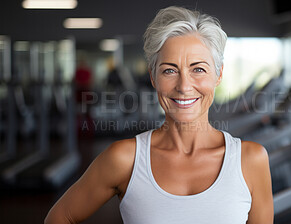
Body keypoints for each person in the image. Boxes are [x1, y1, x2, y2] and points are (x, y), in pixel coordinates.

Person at [45, 6, 273, 224]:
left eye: (198, 69)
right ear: (153, 77)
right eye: (169, 70)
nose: (184, 86)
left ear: (218, 75)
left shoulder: (251, 161)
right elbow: (59, 217)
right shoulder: (124, 160)